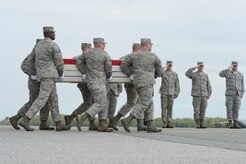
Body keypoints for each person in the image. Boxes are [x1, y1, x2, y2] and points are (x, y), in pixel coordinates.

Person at [18, 26, 71, 131]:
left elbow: (30, 61)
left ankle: (58, 123)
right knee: (42, 98)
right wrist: (60, 74)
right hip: (50, 75)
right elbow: (59, 62)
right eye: (53, 33)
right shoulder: (53, 45)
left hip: (41, 75)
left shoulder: (37, 46)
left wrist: (34, 73)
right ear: (49, 33)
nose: (54, 35)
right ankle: (26, 119)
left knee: (53, 99)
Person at [10, 39, 54, 130]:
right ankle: (16, 117)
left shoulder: (43, 56)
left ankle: (43, 122)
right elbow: (23, 66)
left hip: (42, 80)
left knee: (45, 101)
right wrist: (32, 74)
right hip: (34, 82)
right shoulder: (31, 55)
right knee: (34, 101)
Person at [120, 38, 163, 133]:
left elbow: (123, 66)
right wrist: (155, 75)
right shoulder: (153, 56)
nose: (151, 46)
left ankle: (150, 124)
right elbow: (159, 70)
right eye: (151, 44)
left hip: (137, 82)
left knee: (149, 102)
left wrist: (131, 74)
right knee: (144, 102)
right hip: (147, 82)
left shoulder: (133, 55)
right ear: (147, 45)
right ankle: (128, 120)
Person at [76, 38, 113, 132]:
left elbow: (78, 61)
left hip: (90, 82)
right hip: (100, 82)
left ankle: (102, 124)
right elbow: (108, 67)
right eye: (104, 44)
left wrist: (84, 72)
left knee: (102, 101)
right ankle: (83, 118)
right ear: (100, 44)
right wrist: (109, 76)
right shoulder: (105, 54)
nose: (104, 46)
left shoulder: (87, 53)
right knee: (102, 102)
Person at [110, 43, 146, 131]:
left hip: (132, 83)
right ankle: (115, 119)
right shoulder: (133, 57)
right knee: (131, 102)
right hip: (132, 84)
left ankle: (140, 124)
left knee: (139, 102)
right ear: (139, 49)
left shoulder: (125, 57)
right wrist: (130, 74)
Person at [64, 43, 98, 130]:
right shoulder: (90, 57)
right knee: (89, 103)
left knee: (91, 102)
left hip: (81, 84)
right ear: (89, 49)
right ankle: (73, 117)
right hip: (88, 82)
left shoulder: (75, 58)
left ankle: (91, 122)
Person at [185, 62, 212, 128]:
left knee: (203, 109)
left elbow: (208, 86)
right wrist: (194, 67)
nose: (201, 67)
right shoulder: (194, 74)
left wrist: (208, 95)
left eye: (202, 66)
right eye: (200, 66)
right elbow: (187, 74)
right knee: (196, 110)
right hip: (196, 95)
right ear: (198, 66)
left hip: (204, 95)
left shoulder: (205, 75)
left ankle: (202, 122)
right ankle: (197, 123)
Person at [219, 61, 244, 128]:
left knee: (236, 109)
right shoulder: (227, 73)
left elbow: (242, 85)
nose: (235, 67)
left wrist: (241, 94)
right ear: (231, 65)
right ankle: (230, 122)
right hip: (229, 94)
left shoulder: (240, 74)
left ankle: (235, 122)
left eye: (236, 65)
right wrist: (228, 69)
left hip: (237, 94)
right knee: (229, 108)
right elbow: (220, 74)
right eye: (234, 65)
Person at [159, 61, 180, 128]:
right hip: (164, 92)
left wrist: (176, 93)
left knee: (170, 108)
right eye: (168, 65)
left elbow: (177, 84)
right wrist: (164, 67)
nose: (170, 66)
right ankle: (164, 122)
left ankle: (169, 122)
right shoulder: (163, 73)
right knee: (163, 108)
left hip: (171, 93)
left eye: (171, 65)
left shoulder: (175, 74)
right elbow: (157, 72)